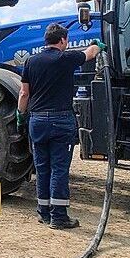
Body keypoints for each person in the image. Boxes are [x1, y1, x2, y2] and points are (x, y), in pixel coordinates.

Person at [17, 23, 101, 229]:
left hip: (37, 121)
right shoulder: (66, 58)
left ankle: (44, 213)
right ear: (63, 40)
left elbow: (24, 93)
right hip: (60, 120)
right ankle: (59, 217)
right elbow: (90, 53)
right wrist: (98, 44)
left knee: (42, 168)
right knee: (59, 169)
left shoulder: (31, 61)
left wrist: (20, 115)